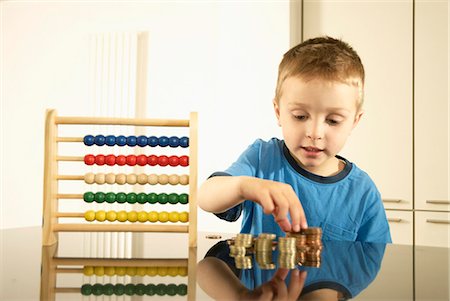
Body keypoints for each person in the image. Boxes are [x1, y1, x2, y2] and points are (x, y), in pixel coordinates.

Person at [198, 36, 391, 243]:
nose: (314, 133)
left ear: (354, 121)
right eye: (300, 116)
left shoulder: (363, 192)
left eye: (333, 120)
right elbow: (206, 197)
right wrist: (244, 186)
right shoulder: (262, 158)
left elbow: (376, 262)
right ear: (278, 112)